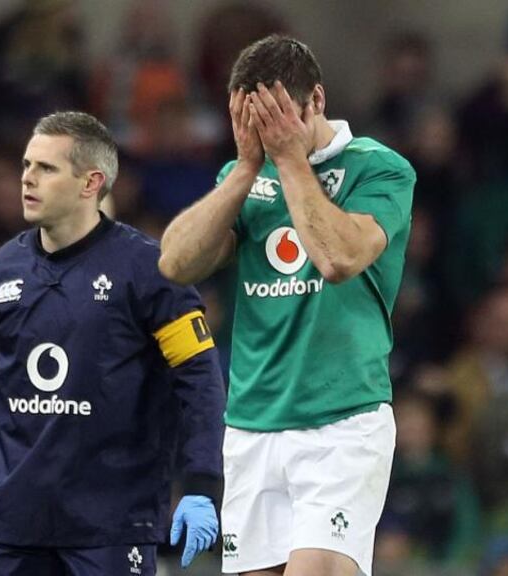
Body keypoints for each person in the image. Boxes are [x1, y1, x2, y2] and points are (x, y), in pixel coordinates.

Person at [0, 111, 225, 575]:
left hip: (111, 531)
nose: (27, 179)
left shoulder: (152, 273)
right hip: (13, 531)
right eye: (26, 166)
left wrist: (201, 483)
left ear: (91, 182)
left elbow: (199, 381)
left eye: (46, 168)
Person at [160, 35, 415, 576]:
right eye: (253, 121)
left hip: (341, 421)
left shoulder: (380, 169)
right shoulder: (243, 177)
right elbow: (176, 263)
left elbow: (338, 258)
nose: (267, 133)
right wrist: (247, 168)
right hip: (252, 425)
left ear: (316, 101)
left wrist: (289, 160)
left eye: (278, 118)